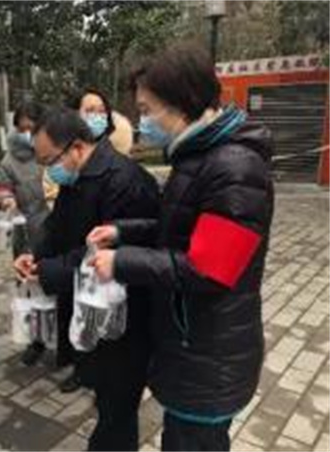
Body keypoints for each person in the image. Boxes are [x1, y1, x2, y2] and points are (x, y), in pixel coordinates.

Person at [87, 43, 274, 452]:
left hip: (208, 355)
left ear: (181, 102)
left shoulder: (234, 168)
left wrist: (121, 262)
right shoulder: (198, 156)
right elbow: (179, 227)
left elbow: (209, 269)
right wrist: (121, 232)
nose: (142, 122)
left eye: (147, 109)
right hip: (193, 347)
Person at [14, 107, 160, 449]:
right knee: (105, 395)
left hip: (126, 317)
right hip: (93, 307)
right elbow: (57, 228)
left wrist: (48, 271)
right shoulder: (78, 176)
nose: (48, 171)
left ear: (77, 147)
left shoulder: (126, 180)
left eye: (50, 161)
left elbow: (105, 254)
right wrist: (35, 256)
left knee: (117, 408)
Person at [0, 102, 51, 366]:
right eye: (22, 128)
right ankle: (37, 340)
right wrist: (5, 198)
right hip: (27, 235)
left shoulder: (53, 150)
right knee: (30, 289)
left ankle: (68, 346)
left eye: (33, 128)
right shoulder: (10, 160)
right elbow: (1, 188)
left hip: (57, 230)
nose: (28, 134)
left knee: (60, 287)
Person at [69, 87, 134, 156]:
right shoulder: (64, 153)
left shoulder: (114, 158)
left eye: (101, 111)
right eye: (90, 111)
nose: (97, 117)